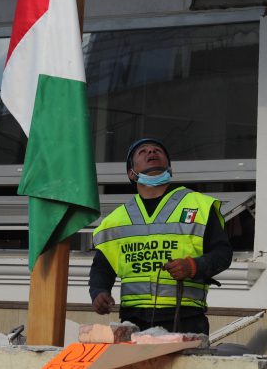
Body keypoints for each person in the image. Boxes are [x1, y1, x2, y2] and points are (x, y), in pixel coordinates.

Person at [88, 138, 233, 334]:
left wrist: (192, 266)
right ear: (131, 173)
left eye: (157, 150)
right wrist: (99, 292)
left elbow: (223, 254)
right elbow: (102, 268)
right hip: (133, 320)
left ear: (169, 168)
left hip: (185, 318)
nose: (151, 153)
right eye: (143, 152)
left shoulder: (199, 205)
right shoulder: (115, 220)